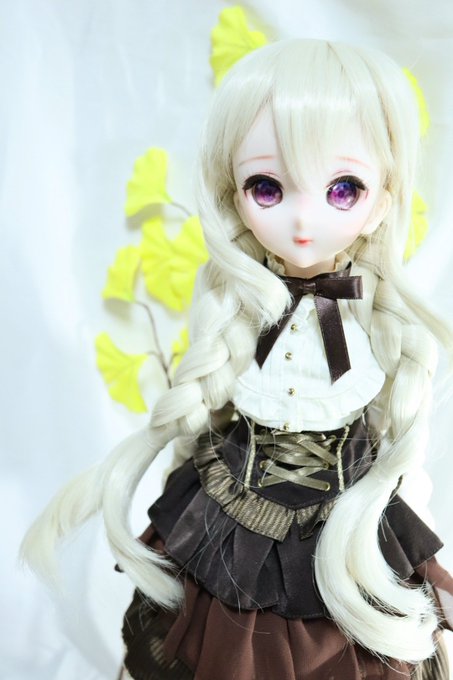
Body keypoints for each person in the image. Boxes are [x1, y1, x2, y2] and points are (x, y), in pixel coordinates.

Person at [23, 39, 453, 679]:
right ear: (233, 193)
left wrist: (409, 515)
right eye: (267, 187)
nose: (303, 221)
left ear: (383, 203)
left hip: (348, 525)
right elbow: (210, 401)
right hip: (234, 510)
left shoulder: (377, 322)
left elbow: (399, 440)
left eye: (343, 189)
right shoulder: (235, 309)